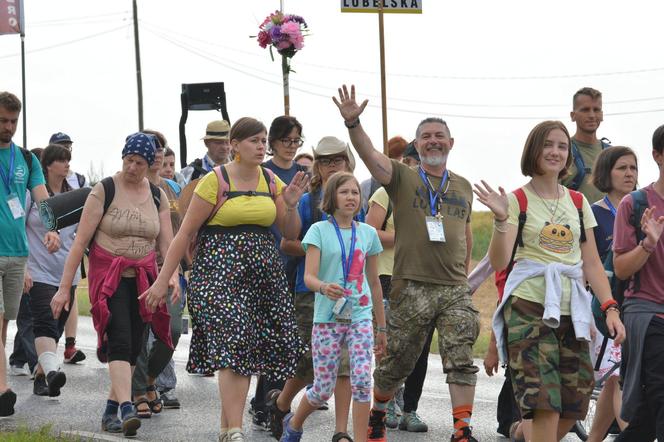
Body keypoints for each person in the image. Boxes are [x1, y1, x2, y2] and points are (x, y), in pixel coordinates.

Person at [140, 117, 308, 442]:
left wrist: (288, 204)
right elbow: (183, 234)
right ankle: (235, 429)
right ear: (235, 145)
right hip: (218, 274)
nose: (262, 147)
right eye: (254, 141)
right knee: (235, 346)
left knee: (243, 351)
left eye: (263, 141)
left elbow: (290, 233)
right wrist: (164, 279)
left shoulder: (270, 180)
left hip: (262, 278)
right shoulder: (214, 181)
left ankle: (225, 429)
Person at [333, 85, 478, 442]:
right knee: (397, 361)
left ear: (451, 143)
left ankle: (462, 429)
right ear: (417, 145)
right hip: (411, 284)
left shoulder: (462, 186)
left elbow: (465, 233)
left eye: (439, 136)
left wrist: (468, 274)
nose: (433, 141)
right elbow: (370, 156)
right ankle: (379, 411)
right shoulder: (402, 177)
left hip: (454, 287)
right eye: (426, 136)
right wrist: (354, 124)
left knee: (460, 353)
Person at [474, 120, 625, 442]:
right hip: (528, 306)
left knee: (574, 402)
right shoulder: (517, 200)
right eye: (548, 145)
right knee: (544, 402)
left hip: (573, 311)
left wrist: (610, 307)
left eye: (562, 146)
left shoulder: (577, 202)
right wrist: (501, 220)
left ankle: (520, 434)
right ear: (534, 150)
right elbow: (500, 262)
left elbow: (593, 263)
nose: (555, 152)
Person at [50, 132, 176, 438]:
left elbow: (168, 244)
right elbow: (79, 243)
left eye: (140, 162)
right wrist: (65, 287)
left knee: (134, 345)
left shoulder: (158, 195)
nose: (133, 167)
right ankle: (125, 407)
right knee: (119, 339)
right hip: (109, 278)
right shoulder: (104, 190)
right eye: (128, 160)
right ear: (122, 158)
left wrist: (171, 276)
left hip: (144, 279)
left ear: (150, 164)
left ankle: (110, 411)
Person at [279, 172, 387, 442]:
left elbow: (374, 283)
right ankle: (294, 423)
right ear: (331, 197)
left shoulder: (368, 234)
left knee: (362, 381)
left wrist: (381, 326)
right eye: (344, 192)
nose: (351, 197)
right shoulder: (318, 231)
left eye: (354, 192)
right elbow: (309, 276)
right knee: (322, 389)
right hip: (327, 318)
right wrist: (324, 287)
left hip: (360, 318)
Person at [268, 136, 360, 441]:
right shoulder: (309, 201)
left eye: (338, 160)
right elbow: (287, 242)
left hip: (348, 296)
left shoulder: (354, 199)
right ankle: (281, 405)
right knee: (308, 363)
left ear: (347, 162)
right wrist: (320, 250)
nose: (333, 165)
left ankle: (341, 432)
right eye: (326, 161)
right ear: (318, 166)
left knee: (344, 365)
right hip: (311, 292)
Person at [0, 91, 59, 417]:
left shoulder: (25, 159)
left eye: (13, 122)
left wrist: (51, 227)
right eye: (2, 121)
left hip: (17, 253)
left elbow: (41, 199)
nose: (8, 127)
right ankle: (2, 389)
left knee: (5, 323)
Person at [366, 151, 432, 433]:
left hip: (424, 278)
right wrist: (406, 237)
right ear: (404, 162)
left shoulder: (434, 197)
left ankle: (410, 409)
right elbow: (369, 232)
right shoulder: (384, 194)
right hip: (388, 276)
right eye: (413, 162)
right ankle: (386, 403)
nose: (417, 168)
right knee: (390, 346)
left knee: (419, 349)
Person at [250, 115, 309, 430]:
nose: (291, 146)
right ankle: (265, 402)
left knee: (285, 339)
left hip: (295, 267)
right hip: (263, 262)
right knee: (269, 336)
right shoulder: (262, 173)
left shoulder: (302, 175)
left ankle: (268, 400)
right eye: (286, 140)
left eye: (296, 140)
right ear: (272, 142)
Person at [613, 125, 664, 441]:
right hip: (648, 315)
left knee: (646, 418)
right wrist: (647, 244)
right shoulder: (635, 204)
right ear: (658, 156)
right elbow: (619, 269)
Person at [130, 129, 185, 418]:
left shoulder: (174, 189)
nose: (159, 150)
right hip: (137, 269)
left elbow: (183, 229)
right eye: (153, 146)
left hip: (170, 270)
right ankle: (139, 390)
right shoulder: (126, 187)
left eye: (162, 146)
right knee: (139, 334)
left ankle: (150, 379)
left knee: (172, 332)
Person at [584, 146, 637, 441]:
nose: (629, 174)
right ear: (606, 172)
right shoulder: (593, 214)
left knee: (615, 377)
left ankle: (594, 438)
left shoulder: (641, 208)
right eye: (621, 168)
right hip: (606, 307)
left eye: (633, 168)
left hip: (638, 304)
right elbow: (586, 264)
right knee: (620, 377)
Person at [26, 144, 82, 397]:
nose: (67, 164)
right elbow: (20, 228)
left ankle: (41, 377)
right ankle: (51, 372)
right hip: (38, 270)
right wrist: (24, 265)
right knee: (45, 322)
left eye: (68, 159)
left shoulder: (76, 195)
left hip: (66, 272)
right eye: (61, 160)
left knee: (57, 327)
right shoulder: (33, 196)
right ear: (48, 165)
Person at [49, 131, 87, 365]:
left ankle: (70, 345)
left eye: (68, 147)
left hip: (72, 246)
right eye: (61, 148)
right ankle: (40, 350)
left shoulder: (79, 180)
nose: (66, 152)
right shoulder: (42, 182)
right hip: (48, 250)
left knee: (70, 296)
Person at [562, 87, 609, 203]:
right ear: (573, 115)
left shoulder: (612, 155)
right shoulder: (561, 152)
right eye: (585, 110)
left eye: (596, 110)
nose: (592, 115)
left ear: (602, 115)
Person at [360, 136, 407, 213]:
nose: (397, 166)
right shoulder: (367, 186)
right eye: (393, 161)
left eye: (402, 162)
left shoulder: (412, 185)